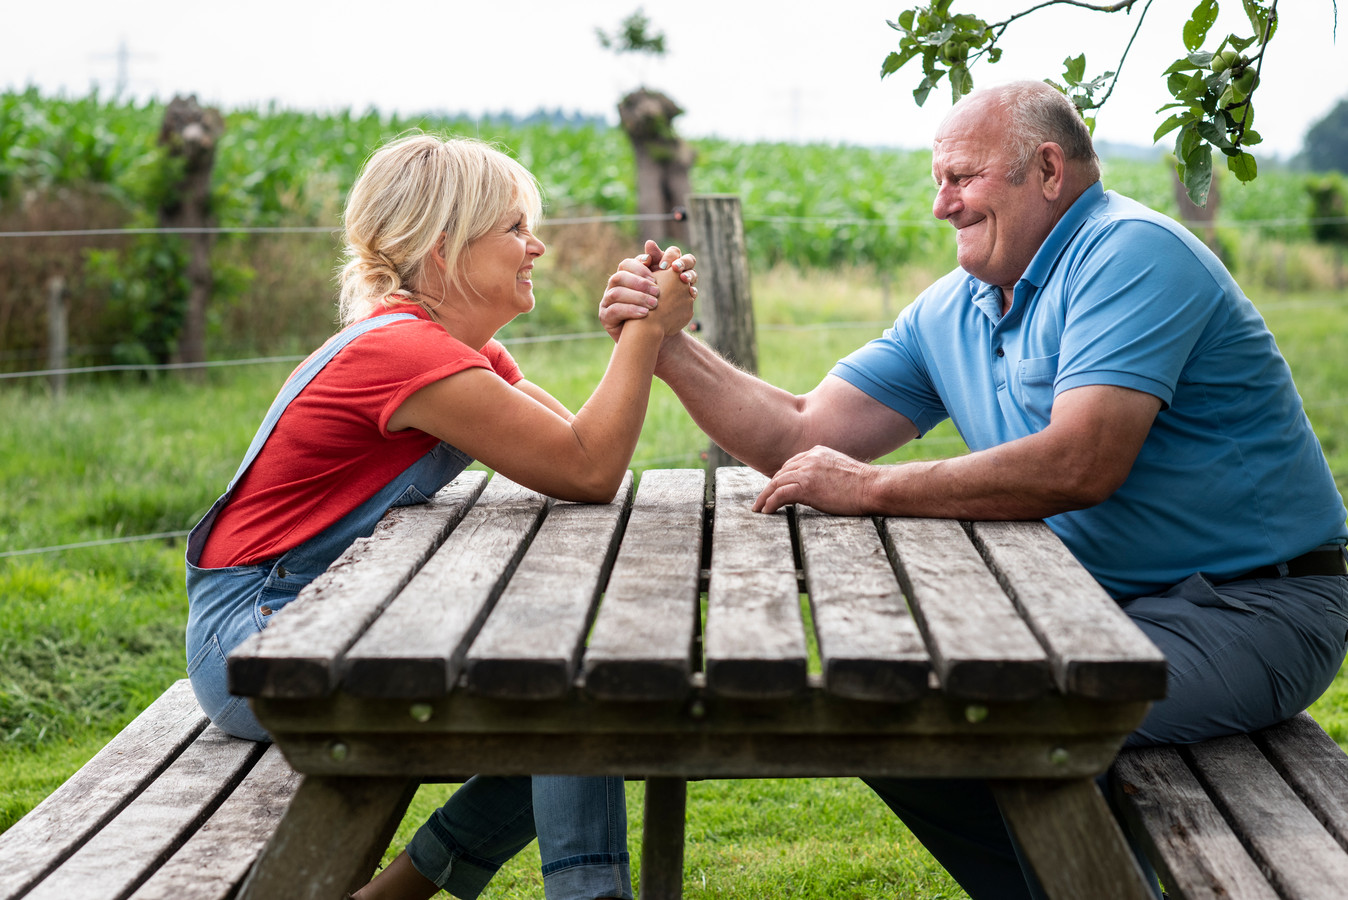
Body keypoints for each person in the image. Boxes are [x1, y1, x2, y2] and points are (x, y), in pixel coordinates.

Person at [601, 80, 1348, 899]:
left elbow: (1080, 462)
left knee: (980, 722)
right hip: (1102, 603)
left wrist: (873, 489)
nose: (940, 205)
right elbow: (801, 431)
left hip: (1255, 611)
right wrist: (667, 347)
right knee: (891, 715)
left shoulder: (1131, 253)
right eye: (937, 180)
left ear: (1049, 169)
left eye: (961, 177)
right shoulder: (954, 306)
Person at [184, 133, 697, 900]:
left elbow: (578, 452)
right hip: (258, 641)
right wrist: (647, 335)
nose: (538, 246)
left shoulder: (458, 349)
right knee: (556, 685)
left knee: (565, 678)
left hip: (307, 615)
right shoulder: (403, 354)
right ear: (442, 247)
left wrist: (634, 335)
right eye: (515, 229)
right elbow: (588, 470)